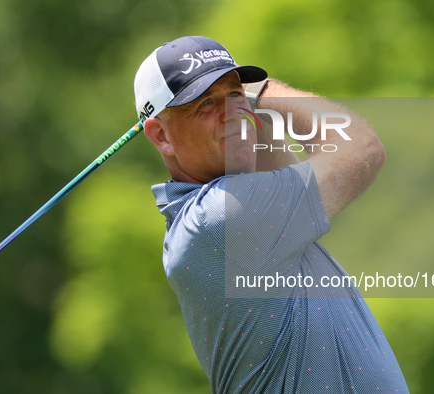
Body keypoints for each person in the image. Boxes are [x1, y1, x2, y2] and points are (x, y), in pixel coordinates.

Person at [135, 36, 409, 393]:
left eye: (235, 94)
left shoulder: (223, 213)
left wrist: (242, 115)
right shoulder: (222, 217)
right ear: (161, 135)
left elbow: (273, 164)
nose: (231, 111)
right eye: (204, 104)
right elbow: (361, 147)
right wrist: (265, 91)